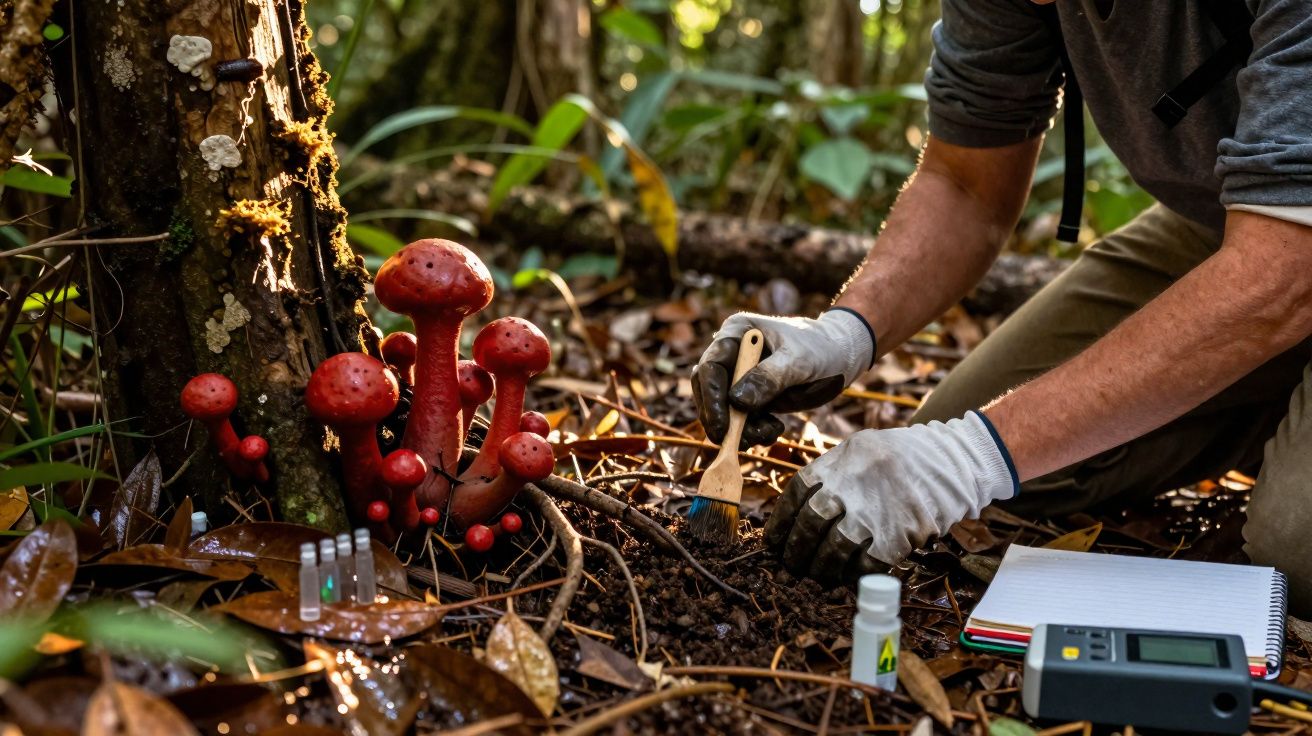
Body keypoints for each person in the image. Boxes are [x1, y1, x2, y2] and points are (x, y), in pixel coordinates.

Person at [693, 0, 1312, 616]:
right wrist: (844, 332)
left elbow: (1281, 271)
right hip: (1232, 225)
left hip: (1285, 248)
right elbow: (966, 183)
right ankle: (1271, 391)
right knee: (974, 453)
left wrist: (971, 456)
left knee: (1296, 545)